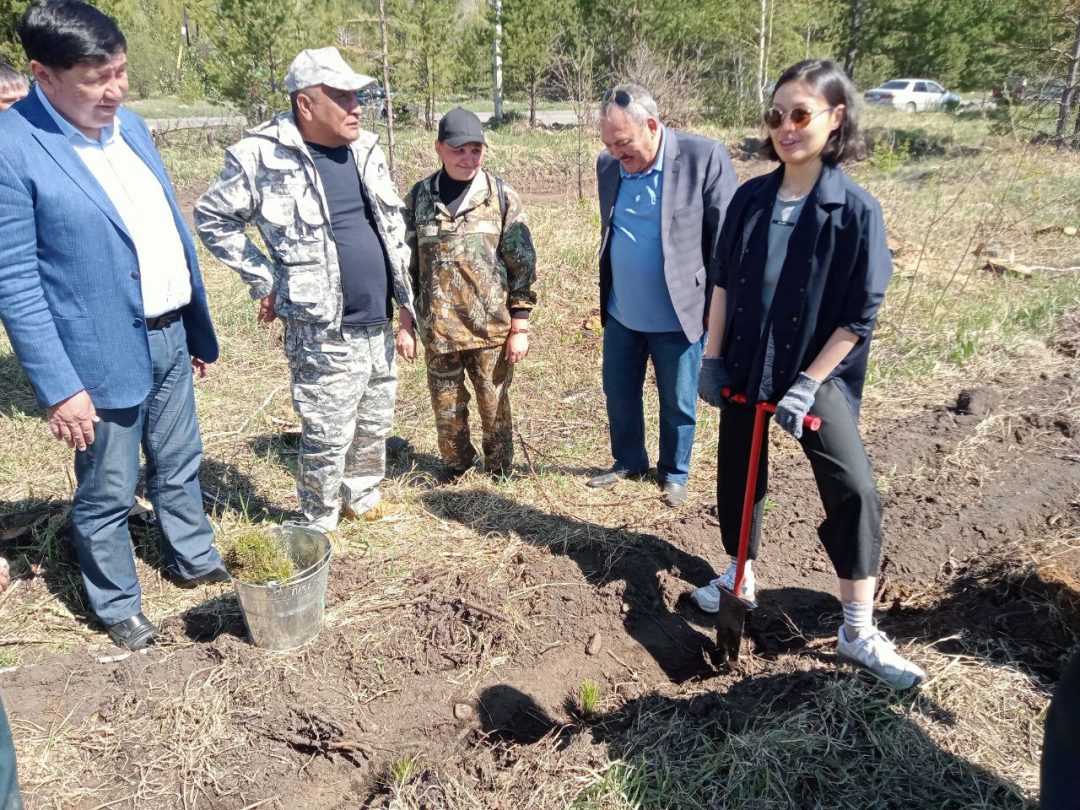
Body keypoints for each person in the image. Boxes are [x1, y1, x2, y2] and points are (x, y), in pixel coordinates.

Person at [0, 0, 227, 652]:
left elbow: (160, 230)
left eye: (120, 72)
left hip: (168, 333)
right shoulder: (13, 151)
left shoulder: (130, 126)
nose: (115, 90)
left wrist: (188, 322)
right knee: (107, 491)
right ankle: (117, 603)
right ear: (44, 75)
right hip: (95, 356)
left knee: (180, 462)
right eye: (96, 79)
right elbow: (15, 284)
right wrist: (59, 387)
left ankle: (192, 555)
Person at [692, 59, 925, 688]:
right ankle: (738, 574)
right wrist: (711, 359)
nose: (786, 127)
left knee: (854, 490)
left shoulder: (853, 210)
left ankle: (857, 628)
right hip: (745, 358)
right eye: (776, 115)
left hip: (818, 371)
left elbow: (859, 315)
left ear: (835, 118)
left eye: (801, 114)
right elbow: (721, 282)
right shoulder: (750, 197)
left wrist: (806, 382)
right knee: (740, 471)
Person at [196, 46, 414, 532]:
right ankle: (318, 518)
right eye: (342, 96)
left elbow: (388, 228)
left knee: (375, 421)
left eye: (358, 95)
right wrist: (264, 278)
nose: (356, 106)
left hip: (377, 319)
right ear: (306, 103)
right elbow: (212, 217)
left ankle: (362, 495)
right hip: (322, 328)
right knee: (328, 430)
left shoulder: (366, 148)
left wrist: (404, 306)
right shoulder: (261, 155)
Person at [589, 83, 737, 507]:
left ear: (651, 126)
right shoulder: (609, 165)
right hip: (622, 310)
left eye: (623, 143)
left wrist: (716, 309)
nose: (617, 154)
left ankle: (674, 472)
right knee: (618, 391)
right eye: (609, 145)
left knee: (677, 399)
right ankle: (629, 460)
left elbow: (724, 242)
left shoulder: (702, 158)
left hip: (680, 313)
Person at [403, 107, 536, 480]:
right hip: (439, 330)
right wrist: (405, 323)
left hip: (490, 329)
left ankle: (499, 471)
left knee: (494, 406)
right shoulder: (420, 198)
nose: (468, 158)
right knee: (446, 407)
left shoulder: (500, 196)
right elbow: (406, 265)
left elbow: (521, 263)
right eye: (459, 150)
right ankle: (456, 466)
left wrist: (520, 327)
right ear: (439, 149)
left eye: (475, 149)